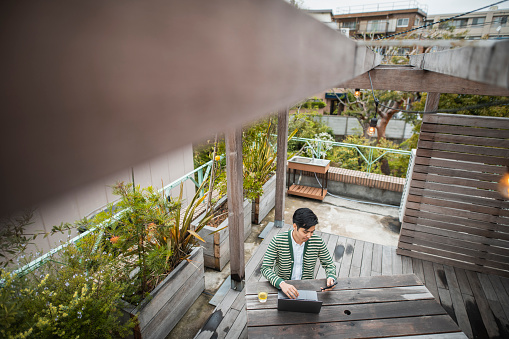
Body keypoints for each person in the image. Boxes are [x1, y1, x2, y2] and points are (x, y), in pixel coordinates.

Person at [261, 207, 337, 299]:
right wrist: (281, 283)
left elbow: (329, 264)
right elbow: (265, 268)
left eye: (312, 232)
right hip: (283, 289)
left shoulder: (318, 241)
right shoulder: (278, 240)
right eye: (305, 232)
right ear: (295, 226)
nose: (309, 236)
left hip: (307, 288)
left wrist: (331, 277)